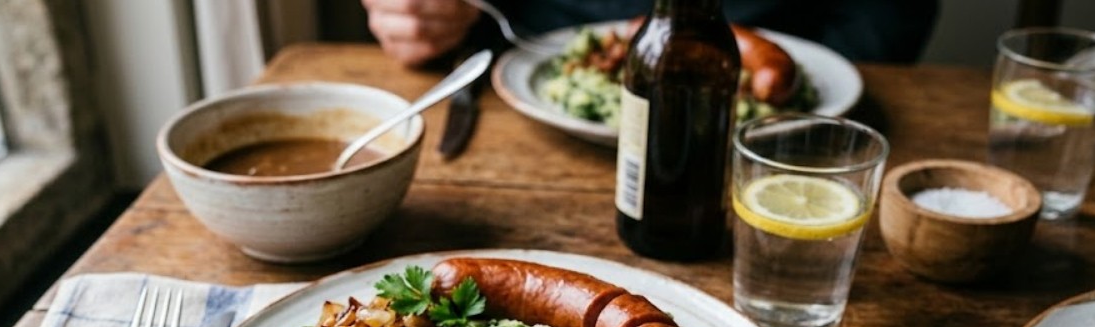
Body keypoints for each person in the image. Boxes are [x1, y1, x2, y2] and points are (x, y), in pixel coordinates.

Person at [361, 0, 939, 66]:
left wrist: (798, 74)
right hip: (518, 61)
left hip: (759, 137)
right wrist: (420, 15)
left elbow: (888, 16)